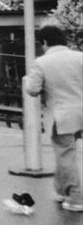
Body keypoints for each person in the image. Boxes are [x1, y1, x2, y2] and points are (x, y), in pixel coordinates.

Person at [23, 25, 83, 212]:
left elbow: (33, 90)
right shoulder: (80, 57)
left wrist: (29, 81)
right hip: (81, 110)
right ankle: (61, 190)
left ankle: (76, 197)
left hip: (61, 116)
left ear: (45, 42)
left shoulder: (41, 63)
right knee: (66, 155)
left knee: (65, 155)